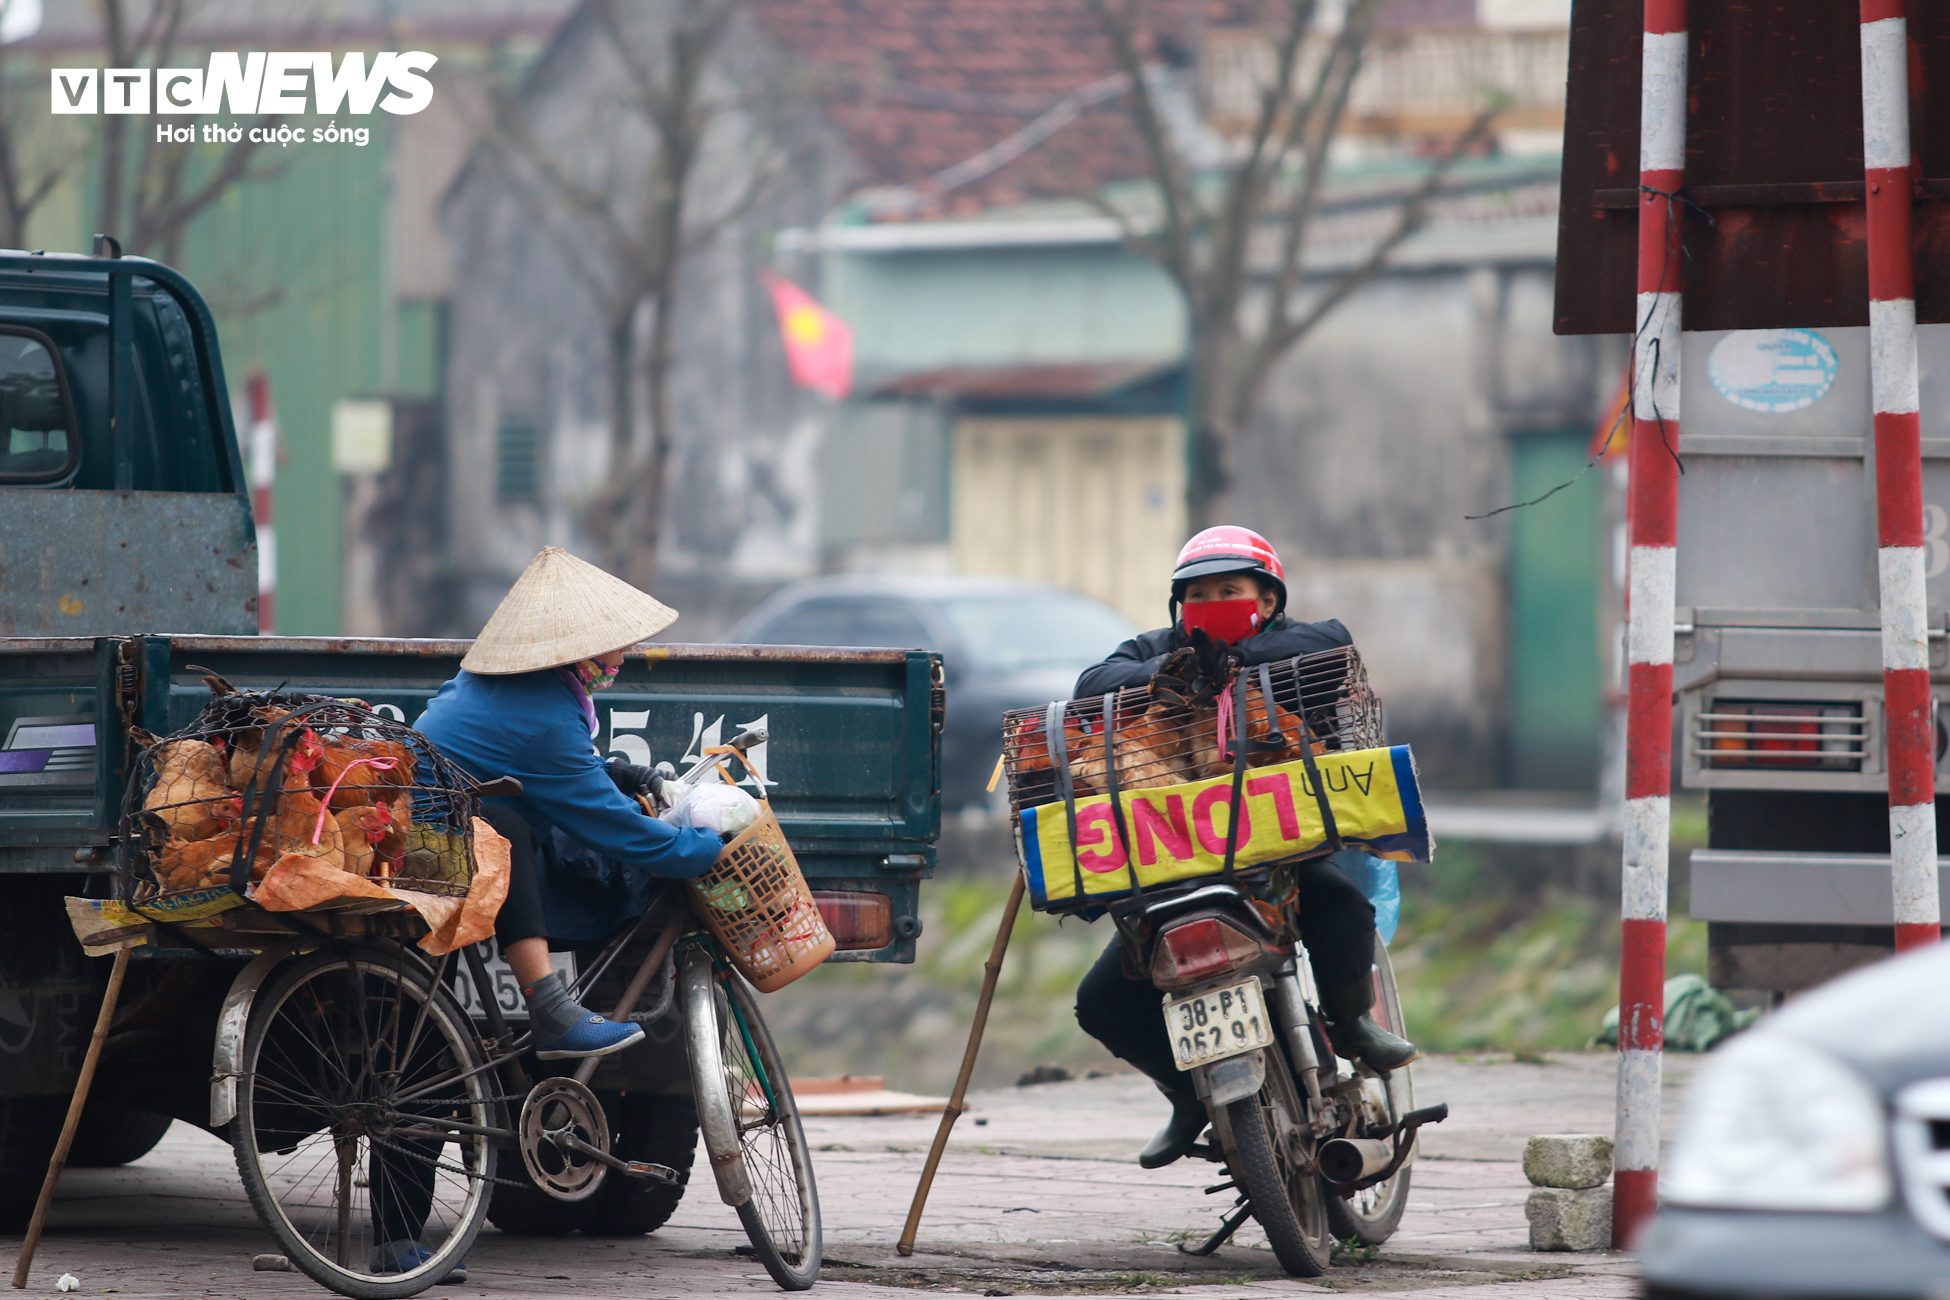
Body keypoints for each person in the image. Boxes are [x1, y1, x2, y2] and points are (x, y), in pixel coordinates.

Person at [1071, 526, 1417, 1170]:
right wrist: (1172, 670)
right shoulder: (1156, 649)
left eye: (1230, 590)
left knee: (1342, 906)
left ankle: (1351, 1024)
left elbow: (1334, 642)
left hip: (1277, 852)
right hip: (1176, 866)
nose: (1212, 602)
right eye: (1198, 594)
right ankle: (1185, 1093)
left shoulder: (1298, 645)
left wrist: (1236, 661)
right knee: (1102, 1003)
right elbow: (1095, 681)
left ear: (1269, 599)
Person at [416, 546, 757, 1060]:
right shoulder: (546, 718)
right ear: (578, 652)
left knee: (516, 827)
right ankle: (551, 1011)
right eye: (614, 648)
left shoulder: (506, 686)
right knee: (508, 832)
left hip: (437, 814)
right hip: (435, 836)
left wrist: (619, 773)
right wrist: (698, 848)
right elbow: (612, 827)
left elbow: (549, 768)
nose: (621, 659)